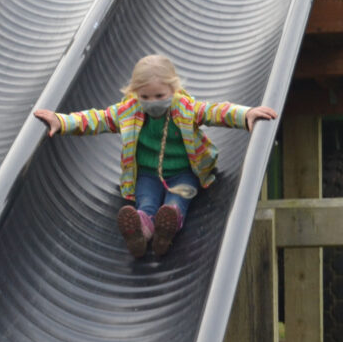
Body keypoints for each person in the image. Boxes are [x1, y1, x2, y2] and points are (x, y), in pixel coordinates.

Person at [33, 55, 277, 258]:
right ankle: (141, 232)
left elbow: (216, 112)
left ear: (173, 89)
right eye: (145, 97)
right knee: (146, 203)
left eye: (160, 96)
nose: (152, 102)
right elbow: (97, 119)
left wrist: (246, 115)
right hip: (146, 174)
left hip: (183, 171)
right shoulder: (129, 111)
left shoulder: (185, 109)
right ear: (135, 93)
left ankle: (168, 227)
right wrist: (62, 121)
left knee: (177, 199)